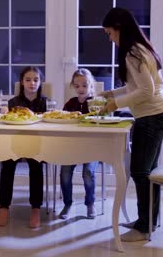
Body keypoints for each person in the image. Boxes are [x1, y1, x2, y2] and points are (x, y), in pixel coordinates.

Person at [100, 8, 163, 241]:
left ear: (119, 27)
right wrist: (112, 93)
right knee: (148, 172)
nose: (110, 39)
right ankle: (149, 221)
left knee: (141, 171)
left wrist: (114, 105)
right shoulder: (141, 48)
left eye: (110, 33)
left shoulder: (132, 52)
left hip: (152, 117)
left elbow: (145, 90)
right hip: (160, 113)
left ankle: (144, 227)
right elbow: (139, 86)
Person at [0, 66, 46, 229]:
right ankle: (3, 207)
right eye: (28, 80)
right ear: (22, 82)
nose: (32, 83)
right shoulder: (13, 102)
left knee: (36, 165)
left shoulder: (46, 102)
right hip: (15, 144)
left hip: (37, 145)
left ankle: (36, 208)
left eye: (36, 80)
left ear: (40, 82)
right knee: (7, 164)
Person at [59, 68, 99, 220]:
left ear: (91, 86)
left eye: (84, 85)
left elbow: (104, 122)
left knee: (88, 172)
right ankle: (67, 203)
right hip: (72, 146)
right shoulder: (70, 104)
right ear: (73, 87)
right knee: (65, 172)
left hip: (92, 147)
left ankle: (90, 203)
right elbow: (62, 122)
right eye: (77, 86)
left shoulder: (96, 103)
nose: (81, 89)